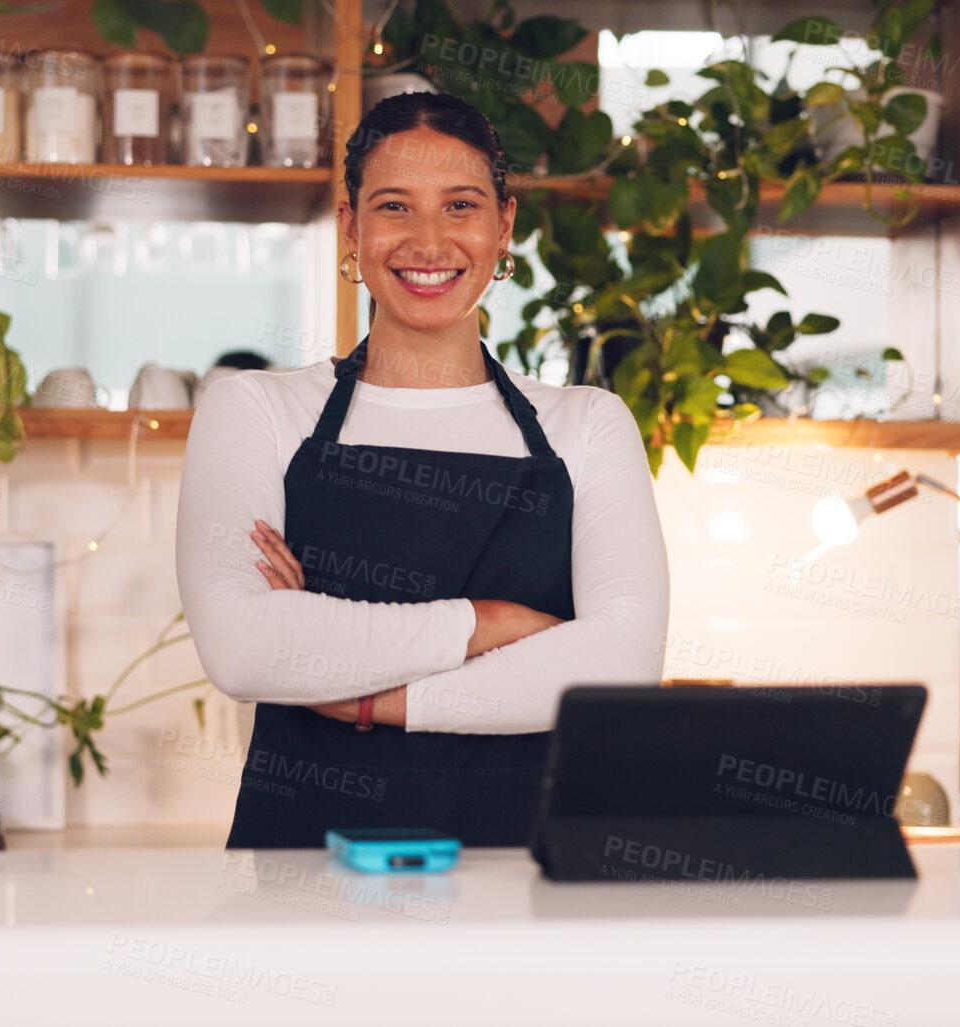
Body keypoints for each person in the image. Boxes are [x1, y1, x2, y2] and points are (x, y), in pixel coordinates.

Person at [175, 91, 670, 849]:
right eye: (395, 206)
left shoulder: (588, 425)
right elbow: (245, 647)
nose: (429, 240)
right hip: (305, 875)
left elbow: (618, 667)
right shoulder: (256, 409)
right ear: (351, 227)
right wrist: (492, 624)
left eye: (460, 205)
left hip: (528, 875)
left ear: (503, 227)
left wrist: (373, 698)